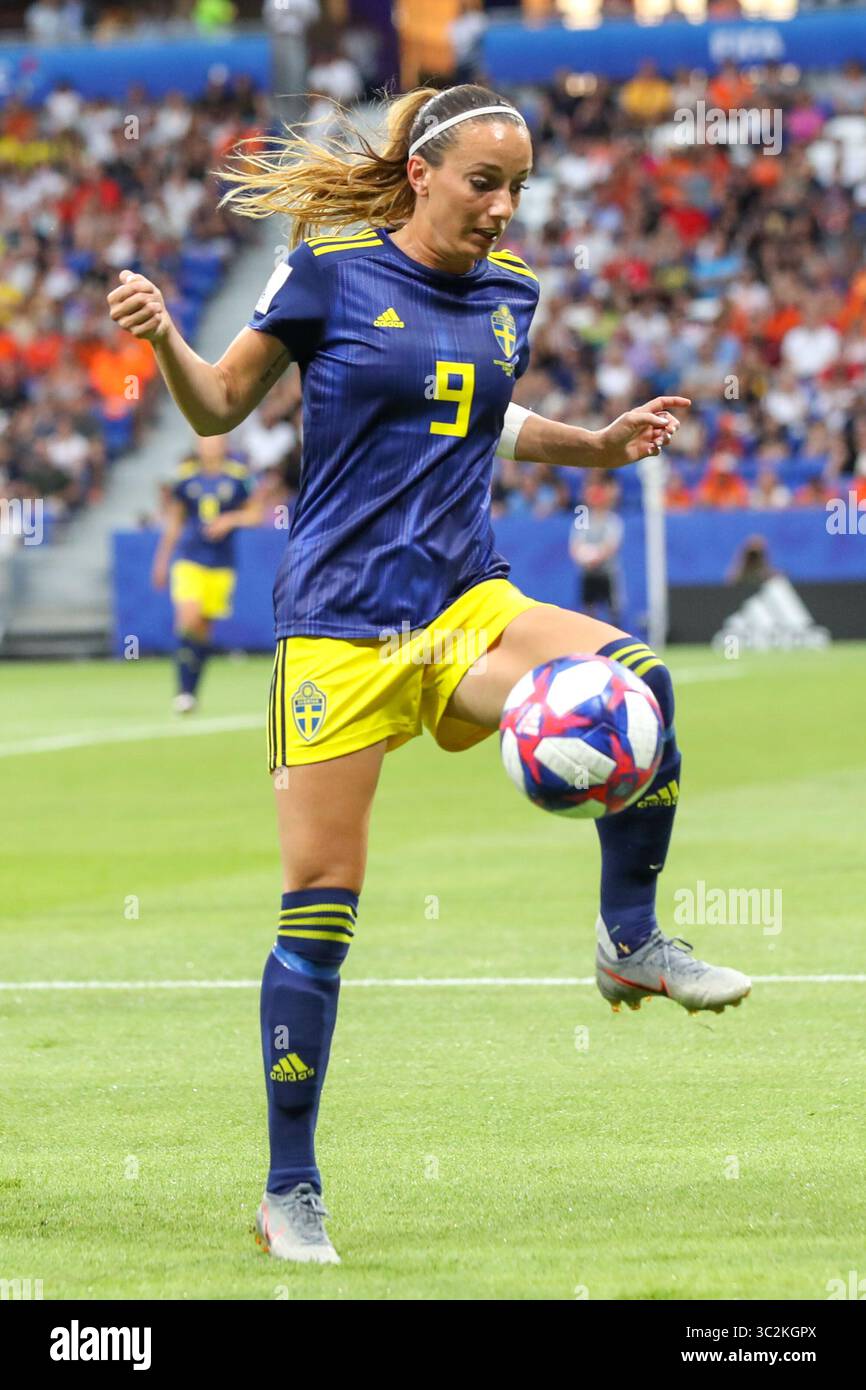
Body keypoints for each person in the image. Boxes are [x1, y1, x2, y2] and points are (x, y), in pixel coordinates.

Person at [107, 83, 750, 1266]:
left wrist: (593, 444)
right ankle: (289, 1190)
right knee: (319, 911)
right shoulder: (327, 274)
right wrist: (163, 341)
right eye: (482, 183)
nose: (502, 208)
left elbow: (480, 412)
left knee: (638, 682)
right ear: (420, 175)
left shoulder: (510, 295)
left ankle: (628, 936)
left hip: (461, 608)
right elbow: (220, 405)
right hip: (338, 629)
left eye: (518, 188)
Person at [151, 433, 261, 713]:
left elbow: (256, 514)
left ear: (225, 444)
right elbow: (175, 522)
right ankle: (182, 691)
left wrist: (230, 520)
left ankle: (191, 690)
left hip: (221, 563)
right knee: (188, 617)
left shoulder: (238, 477)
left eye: (216, 440)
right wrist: (162, 560)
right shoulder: (185, 478)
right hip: (189, 558)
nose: (210, 445)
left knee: (203, 629)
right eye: (206, 440)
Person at [569, 474, 624, 626]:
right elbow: (575, 545)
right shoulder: (583, 520)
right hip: (588, 573)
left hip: (607, 573)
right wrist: (584, 558)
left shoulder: (612, 520)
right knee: (588, 611)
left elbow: (612, 545)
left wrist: (595, 556)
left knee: (613, 610)